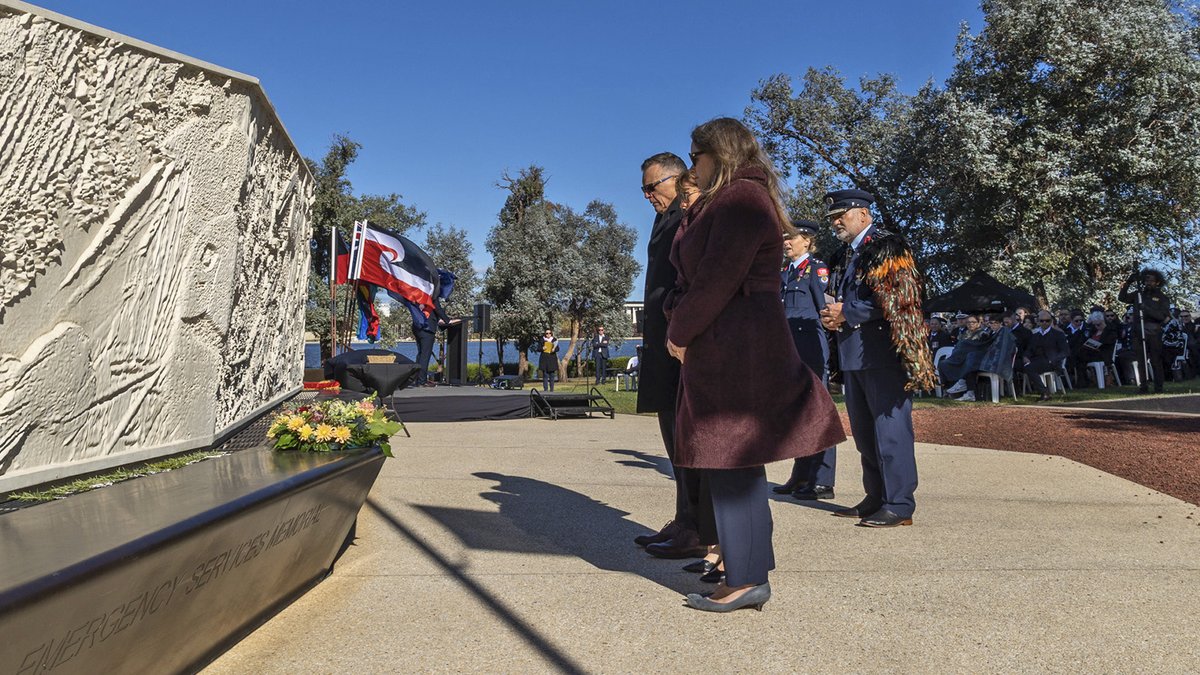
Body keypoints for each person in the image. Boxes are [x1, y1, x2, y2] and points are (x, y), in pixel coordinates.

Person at [665, 118, 844, 612]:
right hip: (725, 342)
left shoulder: (742, 199)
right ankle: (745, 572)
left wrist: (679, 332)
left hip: (737, 344)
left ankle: (745, 578)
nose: (692, 164)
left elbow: (719, 278)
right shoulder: (730, 199)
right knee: (730, 462)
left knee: (734, 458)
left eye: (696, 154)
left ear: (716, 153)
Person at [820, 187, 936, 529]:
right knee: (865, 433)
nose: (836, 222)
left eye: (841, 216)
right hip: (853, 355)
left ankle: (899, 504)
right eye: (832, 218)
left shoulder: (888, 246)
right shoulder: (843, 256)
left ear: (864, 215)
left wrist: (846, 311)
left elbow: (901, 299)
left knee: (891, 432)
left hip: (883, 354)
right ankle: (876, 496)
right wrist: (833, 316)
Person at [632, 152, 706, 560]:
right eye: (643, 189)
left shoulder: (689, 215)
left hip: (680, 341)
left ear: (676, 179)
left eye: (651, 186)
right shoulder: (665, 217)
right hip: (662, 341)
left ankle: (695, 527)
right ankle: (684, 517)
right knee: (673, 436)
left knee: (688, 439)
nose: (647, 196)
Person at [774, 220, 838, 501]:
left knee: (818, 412)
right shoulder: (786, 272)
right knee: (797, 415)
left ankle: (822, 480)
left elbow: (826, 311)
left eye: (792, 237)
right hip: (790, 350)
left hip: (811, 347)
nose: (786, 242)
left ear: (808, 241)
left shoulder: (816, 269)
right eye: (784, 237)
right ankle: (801, 475)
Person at [1118, 268, 1172, 393]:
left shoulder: (1162, 297)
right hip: (1138, 330)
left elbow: (1162, 316)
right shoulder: (1138, 294)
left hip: (1153, 331)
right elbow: (1122, 298)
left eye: (1151, 280)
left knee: (1155, 360)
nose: (1148, 283)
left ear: (1157, 282)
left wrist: (1146, 309)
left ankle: (1158, 387)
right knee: (1141, 360)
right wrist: (1128, 283)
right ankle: (1143, 386)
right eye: (1146, 280)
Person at [1018, 310, 1069, 401]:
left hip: (1052, 361)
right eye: (1042, 321)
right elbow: (1030, 349)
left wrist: (1054, 359)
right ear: (1038, 321)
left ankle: (1044, 393)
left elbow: (1065, 351)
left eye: (1047, 320)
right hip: (1037, 360)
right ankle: (1041, 391)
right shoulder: (1035, 335)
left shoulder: (1058, 334)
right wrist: (1025, 356)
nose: (1045, 323)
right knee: (1022, 366)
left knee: (1029, 368)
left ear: (1051, 321)